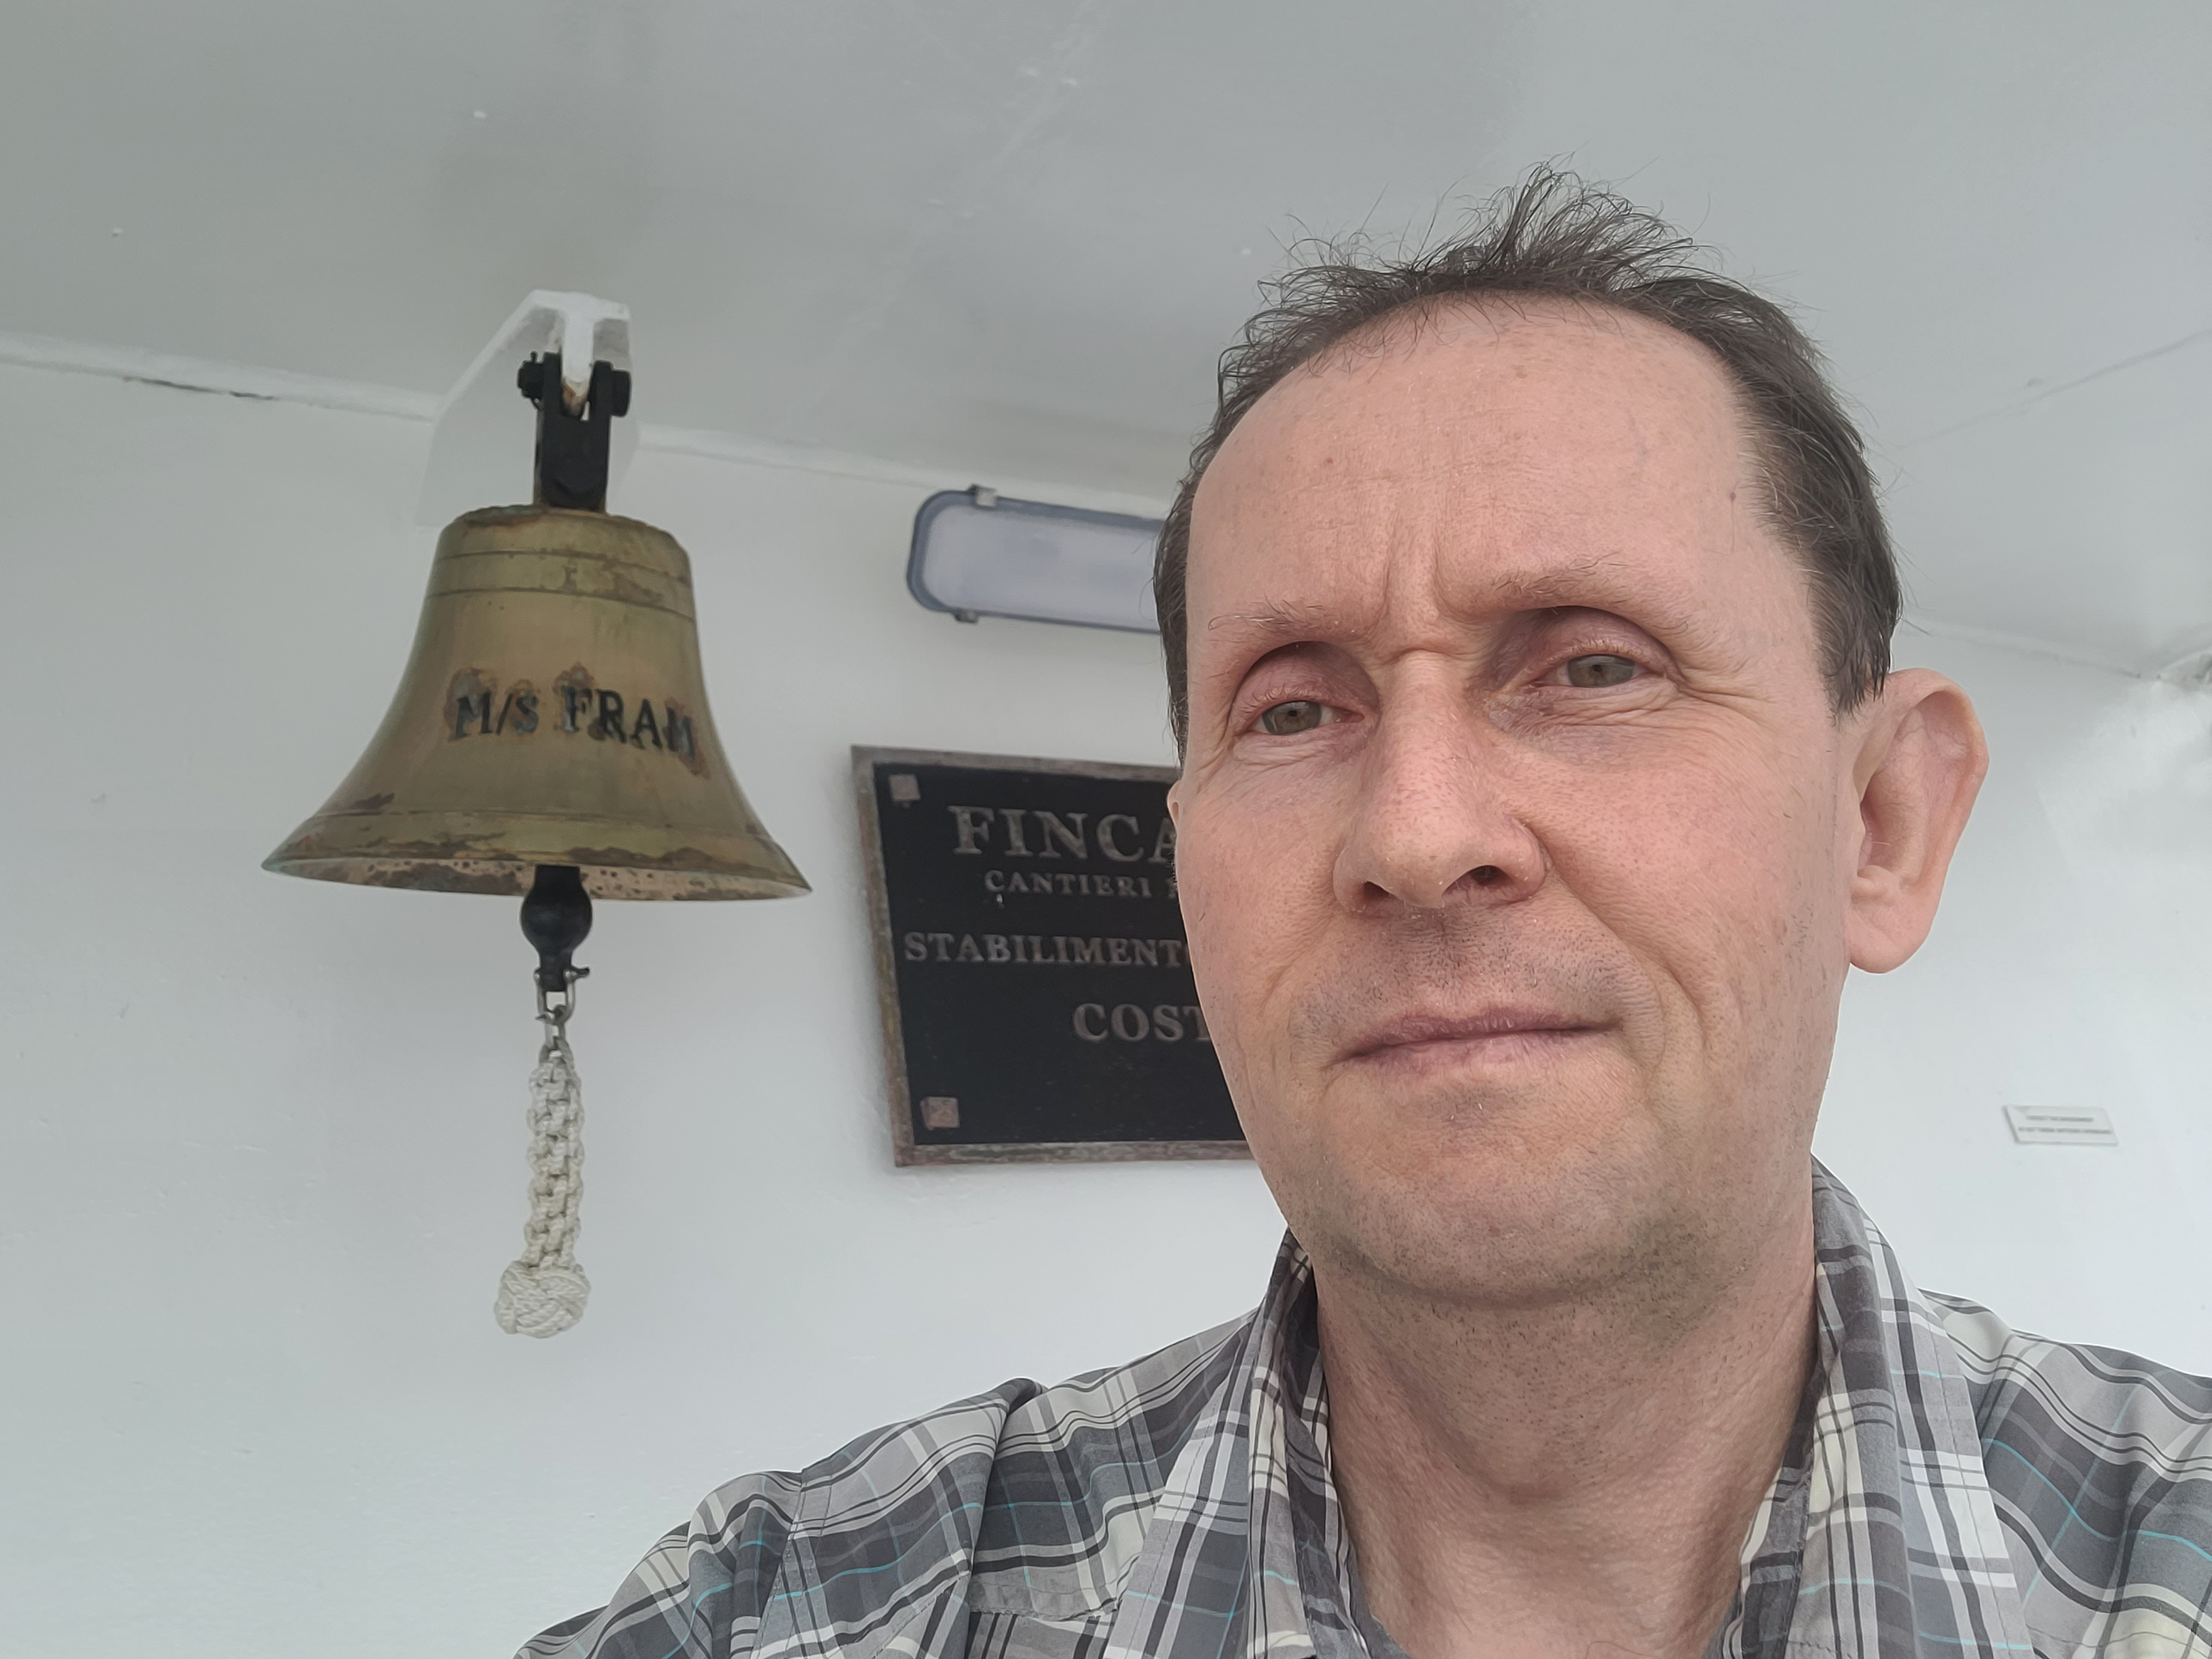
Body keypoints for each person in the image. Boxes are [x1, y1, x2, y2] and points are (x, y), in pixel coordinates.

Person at [522, 171, 2211, 1659]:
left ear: (1880, 822)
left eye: (1594, 668)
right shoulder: (807, 1604)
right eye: (1289, 709)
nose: (1414, 834)